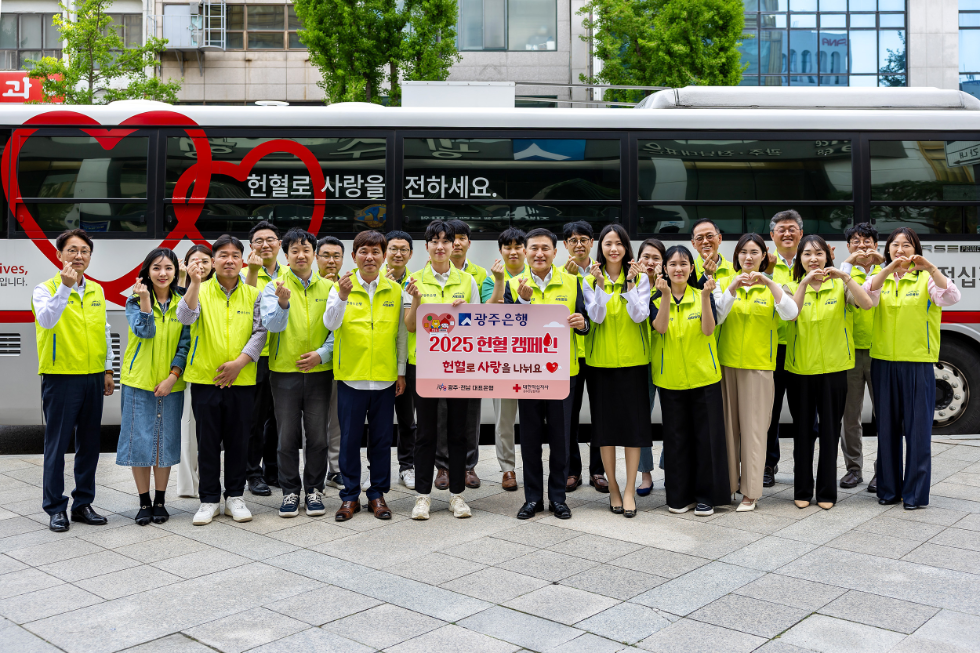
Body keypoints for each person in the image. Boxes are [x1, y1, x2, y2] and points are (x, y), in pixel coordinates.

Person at [864, 228, 961, 510]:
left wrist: (930, 266)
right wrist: (887, 269)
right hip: (883, 362)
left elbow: (951, 296)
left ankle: (915, 494)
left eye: (906, 245)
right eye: (895, 245)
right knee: (887, 429)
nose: (900, 250)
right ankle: (888, 490)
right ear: (888, 250)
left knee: (918, 431)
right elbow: (867, 296)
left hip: (917, 363)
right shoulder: (880, 278)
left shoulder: (926, 280)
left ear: (915, 249)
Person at [178, 234, 266, 525]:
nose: (229, 260)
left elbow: (261, 332)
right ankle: (208, 500)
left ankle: (235, 497)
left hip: (241, 379)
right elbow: (186, 317)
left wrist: (240, 363)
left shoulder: (254, 293)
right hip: (206, 378)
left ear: (243, 261)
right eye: (223, 255)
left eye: (235, 256)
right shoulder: (200, 290)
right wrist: (192, 282)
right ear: (213, 261)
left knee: (239, 441)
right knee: (208, 442)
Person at [504, 228, 590, 520]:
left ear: (555, 252)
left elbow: (586, 320)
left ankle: (558, 498)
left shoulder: (572, 281)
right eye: (534, 248)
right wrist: (524, 303)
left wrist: (582, 323)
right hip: (527, 373)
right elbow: (505, 328)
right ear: (526, 252)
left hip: (563, 372)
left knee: (560, 437)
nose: (539, 254)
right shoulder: (514, 284)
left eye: (545, 248)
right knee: (529, 437)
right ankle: (532, 499)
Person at [32, 229, 114, 533]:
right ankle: (55, 508)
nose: (78, 256)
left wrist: (107, 370)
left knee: (89, 444)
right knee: (56, 446)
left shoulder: (96, 290)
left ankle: (82, 504)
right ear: (59, 254)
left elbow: (104, 332)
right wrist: (64, 289)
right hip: (61, 377)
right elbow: (47, 320)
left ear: (90, 256)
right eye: (72, 250)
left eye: (84, 251)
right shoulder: (44, 289)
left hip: (92, 377)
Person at [323, 230, 408, 521]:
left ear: (383, 256)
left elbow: (400, 336)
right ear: (355, 256)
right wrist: (343, 297)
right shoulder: (341, 286)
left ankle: (377, 494)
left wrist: (400, 372)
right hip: (351, 375)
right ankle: (349, 496)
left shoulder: (395, 290)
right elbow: (330, 324)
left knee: (382, 440)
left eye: (375, 251)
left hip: (385, 377)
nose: (369, 257)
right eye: (363, 251)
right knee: (349, 439)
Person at [785, 235, 873, 511]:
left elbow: (867, 303)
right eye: (807, 254)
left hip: (835, 370)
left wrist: (846, 278)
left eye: (819, 253)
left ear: (828, 257)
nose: (814, 258)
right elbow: (791, 314)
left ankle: (826, 490)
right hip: (800, 369)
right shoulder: (788, 286)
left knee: (830, 432)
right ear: (800, 259)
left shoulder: (839, 286)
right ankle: (801, 489)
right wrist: (802, 283)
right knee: (802, 433)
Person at [715, 234, 798, 512]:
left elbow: (790, 313)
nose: (748, 257)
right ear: (736, 256)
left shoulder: (774, 287)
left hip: (760, 368)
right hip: (727, 366)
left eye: (754, 252)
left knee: (754, 432)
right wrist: (733, 288)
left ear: (764, 256)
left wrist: (770, 282)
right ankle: (727, 487)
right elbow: (717, 316)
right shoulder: (725, 284)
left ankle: (751, 493)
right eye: (743, 252)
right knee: (729, 430)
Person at [404, 220, 480, 520]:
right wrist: (417, 300)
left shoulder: (467, 281)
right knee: (425, 433)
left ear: (454, 246)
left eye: (446, 241)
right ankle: (423, 496)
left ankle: (457, 496)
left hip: (458, 367)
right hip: (423, 366)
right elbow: (409, 327)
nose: (440, 246)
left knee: (458, 432)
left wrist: (466, 313)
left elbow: (477, 329)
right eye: (434, 241)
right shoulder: (413, 280)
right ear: (427, 246)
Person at [261, 228, 334, 518]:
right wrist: (282, 303)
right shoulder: (273, 286)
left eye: (306, 250)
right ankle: (290, 492)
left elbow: (336, 330)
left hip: (320, 371)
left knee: (317, 437)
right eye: (294, 251)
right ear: (286, 255)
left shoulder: (329, 288)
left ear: (314, 254)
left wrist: (321, 355)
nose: (301, 255)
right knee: (286, 436)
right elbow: (273, 327)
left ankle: (314, 490)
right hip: (283, 372)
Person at [651, 245, 728, 516]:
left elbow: (708, 330)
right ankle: (679, 495)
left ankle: (707, 496)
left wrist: (707, 296)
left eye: (684, 263)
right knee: (675, 439)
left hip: (704, 377)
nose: (678, 268)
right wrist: (663, 297)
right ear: (665, 269)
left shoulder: (701, 294)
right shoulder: (656, 298)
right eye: (672, 264)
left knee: (706, 439)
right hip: (670, 379)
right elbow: (660, 328)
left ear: (691, 268)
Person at [117, 248, 190, 525]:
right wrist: (146, 300)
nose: (163, 273)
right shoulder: (134, 301)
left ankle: (161, 501)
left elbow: (186, 344)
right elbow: (144, 331)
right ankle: (144, 502)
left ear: (175, 272)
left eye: (168, 268)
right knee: (140, 443)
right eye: (157, 268)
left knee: (165, 442)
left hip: (171, 384)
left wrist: (173, 377)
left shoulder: (183, 302)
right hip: (139, 381)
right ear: (148, 271)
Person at [584, 224, 651, 517]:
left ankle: (628, 490)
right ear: (601, 248)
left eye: (619, 243)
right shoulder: (588, 279)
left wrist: (631, 287)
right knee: (605, 431)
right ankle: (612, 487)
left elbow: (640, 315)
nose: (614, 248)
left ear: (626, 248)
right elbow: (595, 317)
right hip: (600, 364)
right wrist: (599, 285)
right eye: (608, 243)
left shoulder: (641, 278)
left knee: (634, 430)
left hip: (634, 362)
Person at [435, 220, 486, 491]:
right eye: (446, 239)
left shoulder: (476, 276)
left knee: (470, 413)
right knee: (441, 413)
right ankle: (442, 467)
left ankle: (468, 466)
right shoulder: (422, 277)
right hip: (437, 357)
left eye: (458, 238)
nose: (453, 243)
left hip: (469, 356)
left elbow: (482, 318)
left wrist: (466, 311)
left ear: (467, 242)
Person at [561, 220, 608, 494]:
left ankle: (598, 471)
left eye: (584, 239)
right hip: (570, 356)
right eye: (573, 240)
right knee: (569, 417)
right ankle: (571, 471)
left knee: (600, 414)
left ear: (592, 243)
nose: (578, 245)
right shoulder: (558, 275)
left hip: (598, 353)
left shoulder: (599, 272)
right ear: (565, 245)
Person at [838, 223, 885, 490]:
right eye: (856, 241)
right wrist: (848, 264)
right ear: (848, 247)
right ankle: (853, 469)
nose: (862, 246)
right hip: (850, 352)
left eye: (867, 241)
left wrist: (886, 262)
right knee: (850, 416)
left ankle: (883, 470)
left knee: (885, 415)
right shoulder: (842, 271)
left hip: (881, 352)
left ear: (876, 245)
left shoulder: (887, 270)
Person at [762, 210, 805, 487]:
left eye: (792, 229)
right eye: (781, 229)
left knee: (804, 413)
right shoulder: (766, 266)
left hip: (804, 347)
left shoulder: (812, 262)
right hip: (773, 349)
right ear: (772, 235)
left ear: (801, 233)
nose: (787, 233)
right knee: (770, 412)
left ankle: (803, 467)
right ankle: (767, 464)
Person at [485, 226, 529, 492]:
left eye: (517, 246)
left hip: (534, 358)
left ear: (525, 250)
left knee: (534, 417)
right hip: (502, 357)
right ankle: (508, 469)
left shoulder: (536, 275)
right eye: (507, 247)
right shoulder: (492, 278)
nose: (512, 251)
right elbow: (491, 312)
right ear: (500, 250)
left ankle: (534, 466)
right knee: (504, 418)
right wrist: (500, 282)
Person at [242, 220, 282, 497]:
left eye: (271, 239)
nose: (265, 244)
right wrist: (254, 272)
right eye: (259, 240)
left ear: (280, 244)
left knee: (279, 419)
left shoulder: (290, 273)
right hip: (255, 358)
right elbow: (247, 306)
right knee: (254, 420)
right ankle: (252, 473)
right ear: (250, 246)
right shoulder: (243, 273)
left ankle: (274, 470)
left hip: (283, 357)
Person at [175, 245, 214, 499]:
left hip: (217, 368)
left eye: (204, 260)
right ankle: (189, 485)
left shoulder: (218, 291)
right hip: (191, 368)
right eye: (193, 261)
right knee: (188, 429)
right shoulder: (186, 291)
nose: (199, 265)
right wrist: (183, 279)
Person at [382, 231, 418, 491]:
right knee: (379, 421)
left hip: (404, 362)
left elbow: (406, 332)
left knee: (407, 419)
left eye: (403, 249)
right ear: (385, 252)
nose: (398, 253)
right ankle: (376, 470)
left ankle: (407, 467)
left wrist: (401, 371)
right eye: (393, 248)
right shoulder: (370, 279)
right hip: (376, 363)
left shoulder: (414, 284)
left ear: (411, 254)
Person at [635, 238, 666, 496]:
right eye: (646, 256)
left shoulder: (672, 286)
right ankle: (645, 475)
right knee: (641, 418)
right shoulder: (632, 285)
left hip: (669, 359)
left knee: (674, 417)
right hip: (642, 362)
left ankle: (671, 468)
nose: (650, 262)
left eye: (656, 258)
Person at [316, 235, 345, 489]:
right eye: (326, 255)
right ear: (316, 258)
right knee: (312, 422)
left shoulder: (347, 287)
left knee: (335, 420)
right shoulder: (310, 286)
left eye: (336, 256)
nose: (331, 261)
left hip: (340, 364)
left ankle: (335, 470)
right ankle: (312, 472)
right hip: (311, 364)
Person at [691, 219, 737, 287]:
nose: (705, 241)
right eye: (699, 238)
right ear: (693, 244)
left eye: (709, 236)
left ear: (719, 239)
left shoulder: (735, 269)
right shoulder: (689, 270)